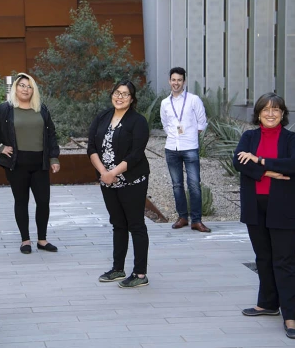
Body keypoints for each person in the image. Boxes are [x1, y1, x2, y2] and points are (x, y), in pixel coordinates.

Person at [233, 93, 295, 340]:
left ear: (283, 114)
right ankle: (267, 303)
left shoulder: (292, 139)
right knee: (263, 257)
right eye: (266, 110)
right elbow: (239, 162)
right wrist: (271, 172)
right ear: (258, 113)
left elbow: (294, 164)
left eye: (276, 110)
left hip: (285, 208)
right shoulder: (249, 137)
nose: (270, 114)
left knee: (285, 261)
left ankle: (290, 316)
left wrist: (260, 161)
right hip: (255, 207)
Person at [0, 72, 60, 254]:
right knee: (21, 201)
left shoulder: (42, 109)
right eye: (22, 85)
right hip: (17, 164)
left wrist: (54, 157)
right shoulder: (5, 109)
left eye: (29, 86)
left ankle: (42, 240)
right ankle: (25, 240)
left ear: (34, 90)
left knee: (43, 202)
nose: (25, 89)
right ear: (15, 88)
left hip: (40, 163)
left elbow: (51, 135)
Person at [87, 80, 151, 288]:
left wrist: (113, 172)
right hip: (108, 180)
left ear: (132, 99)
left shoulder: (138, 121)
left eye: (125, 94)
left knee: (136, 225)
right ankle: (117, 268)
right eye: (117, 92)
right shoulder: (103, 117)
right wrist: (104, 173)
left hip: (132, 180)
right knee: (118, 224)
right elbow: (92, 148)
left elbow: (136, 153)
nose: (120, 97)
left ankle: (140, 274)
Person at [160, 67, 211, 232]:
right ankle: (182, 217)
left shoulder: (193, 100)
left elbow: (202, 122)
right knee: (177, 185)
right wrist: (175, 135)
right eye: (173, 80)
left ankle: (196, 220)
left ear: (184, 81)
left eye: (179, 80)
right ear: (169, 81)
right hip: (171, 148)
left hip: (189, 147)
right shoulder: (165, 103)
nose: (176, 83)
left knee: (194, 184)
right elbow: (165, 123)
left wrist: (188, 135)